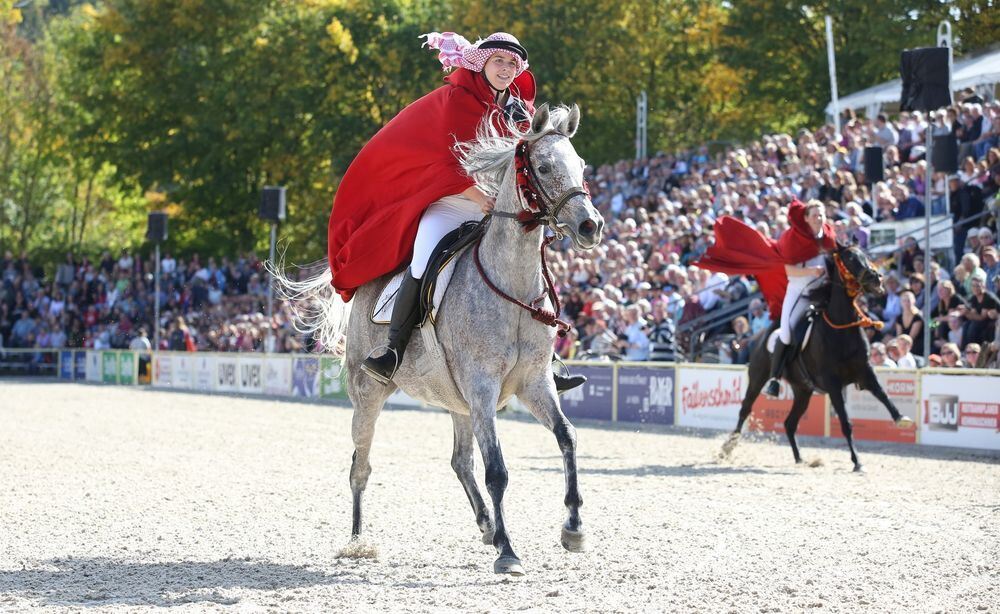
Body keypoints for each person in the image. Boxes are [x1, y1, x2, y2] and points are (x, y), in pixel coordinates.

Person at [326, 32, 584, 392]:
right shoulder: (457, 100)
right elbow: (446, 162)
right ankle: (393, 350)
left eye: (513, 64)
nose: (506, 69)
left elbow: (528, 163)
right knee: (423, 261)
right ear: (482, 63)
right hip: (450, 203)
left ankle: (544, 361)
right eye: (499, 62)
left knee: (529, 264)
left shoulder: (519, 109)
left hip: (497, 209)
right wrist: (477, 197)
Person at [696, 199, 836, 397]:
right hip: (800, 293)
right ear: (805, 219)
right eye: (814, 215)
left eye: (821, 214)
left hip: (823, 292)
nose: (819, 219)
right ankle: (775, 378)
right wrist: (812, 271)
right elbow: (788, 271)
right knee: (786, 333)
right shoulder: (794, 239)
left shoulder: (829, 236)